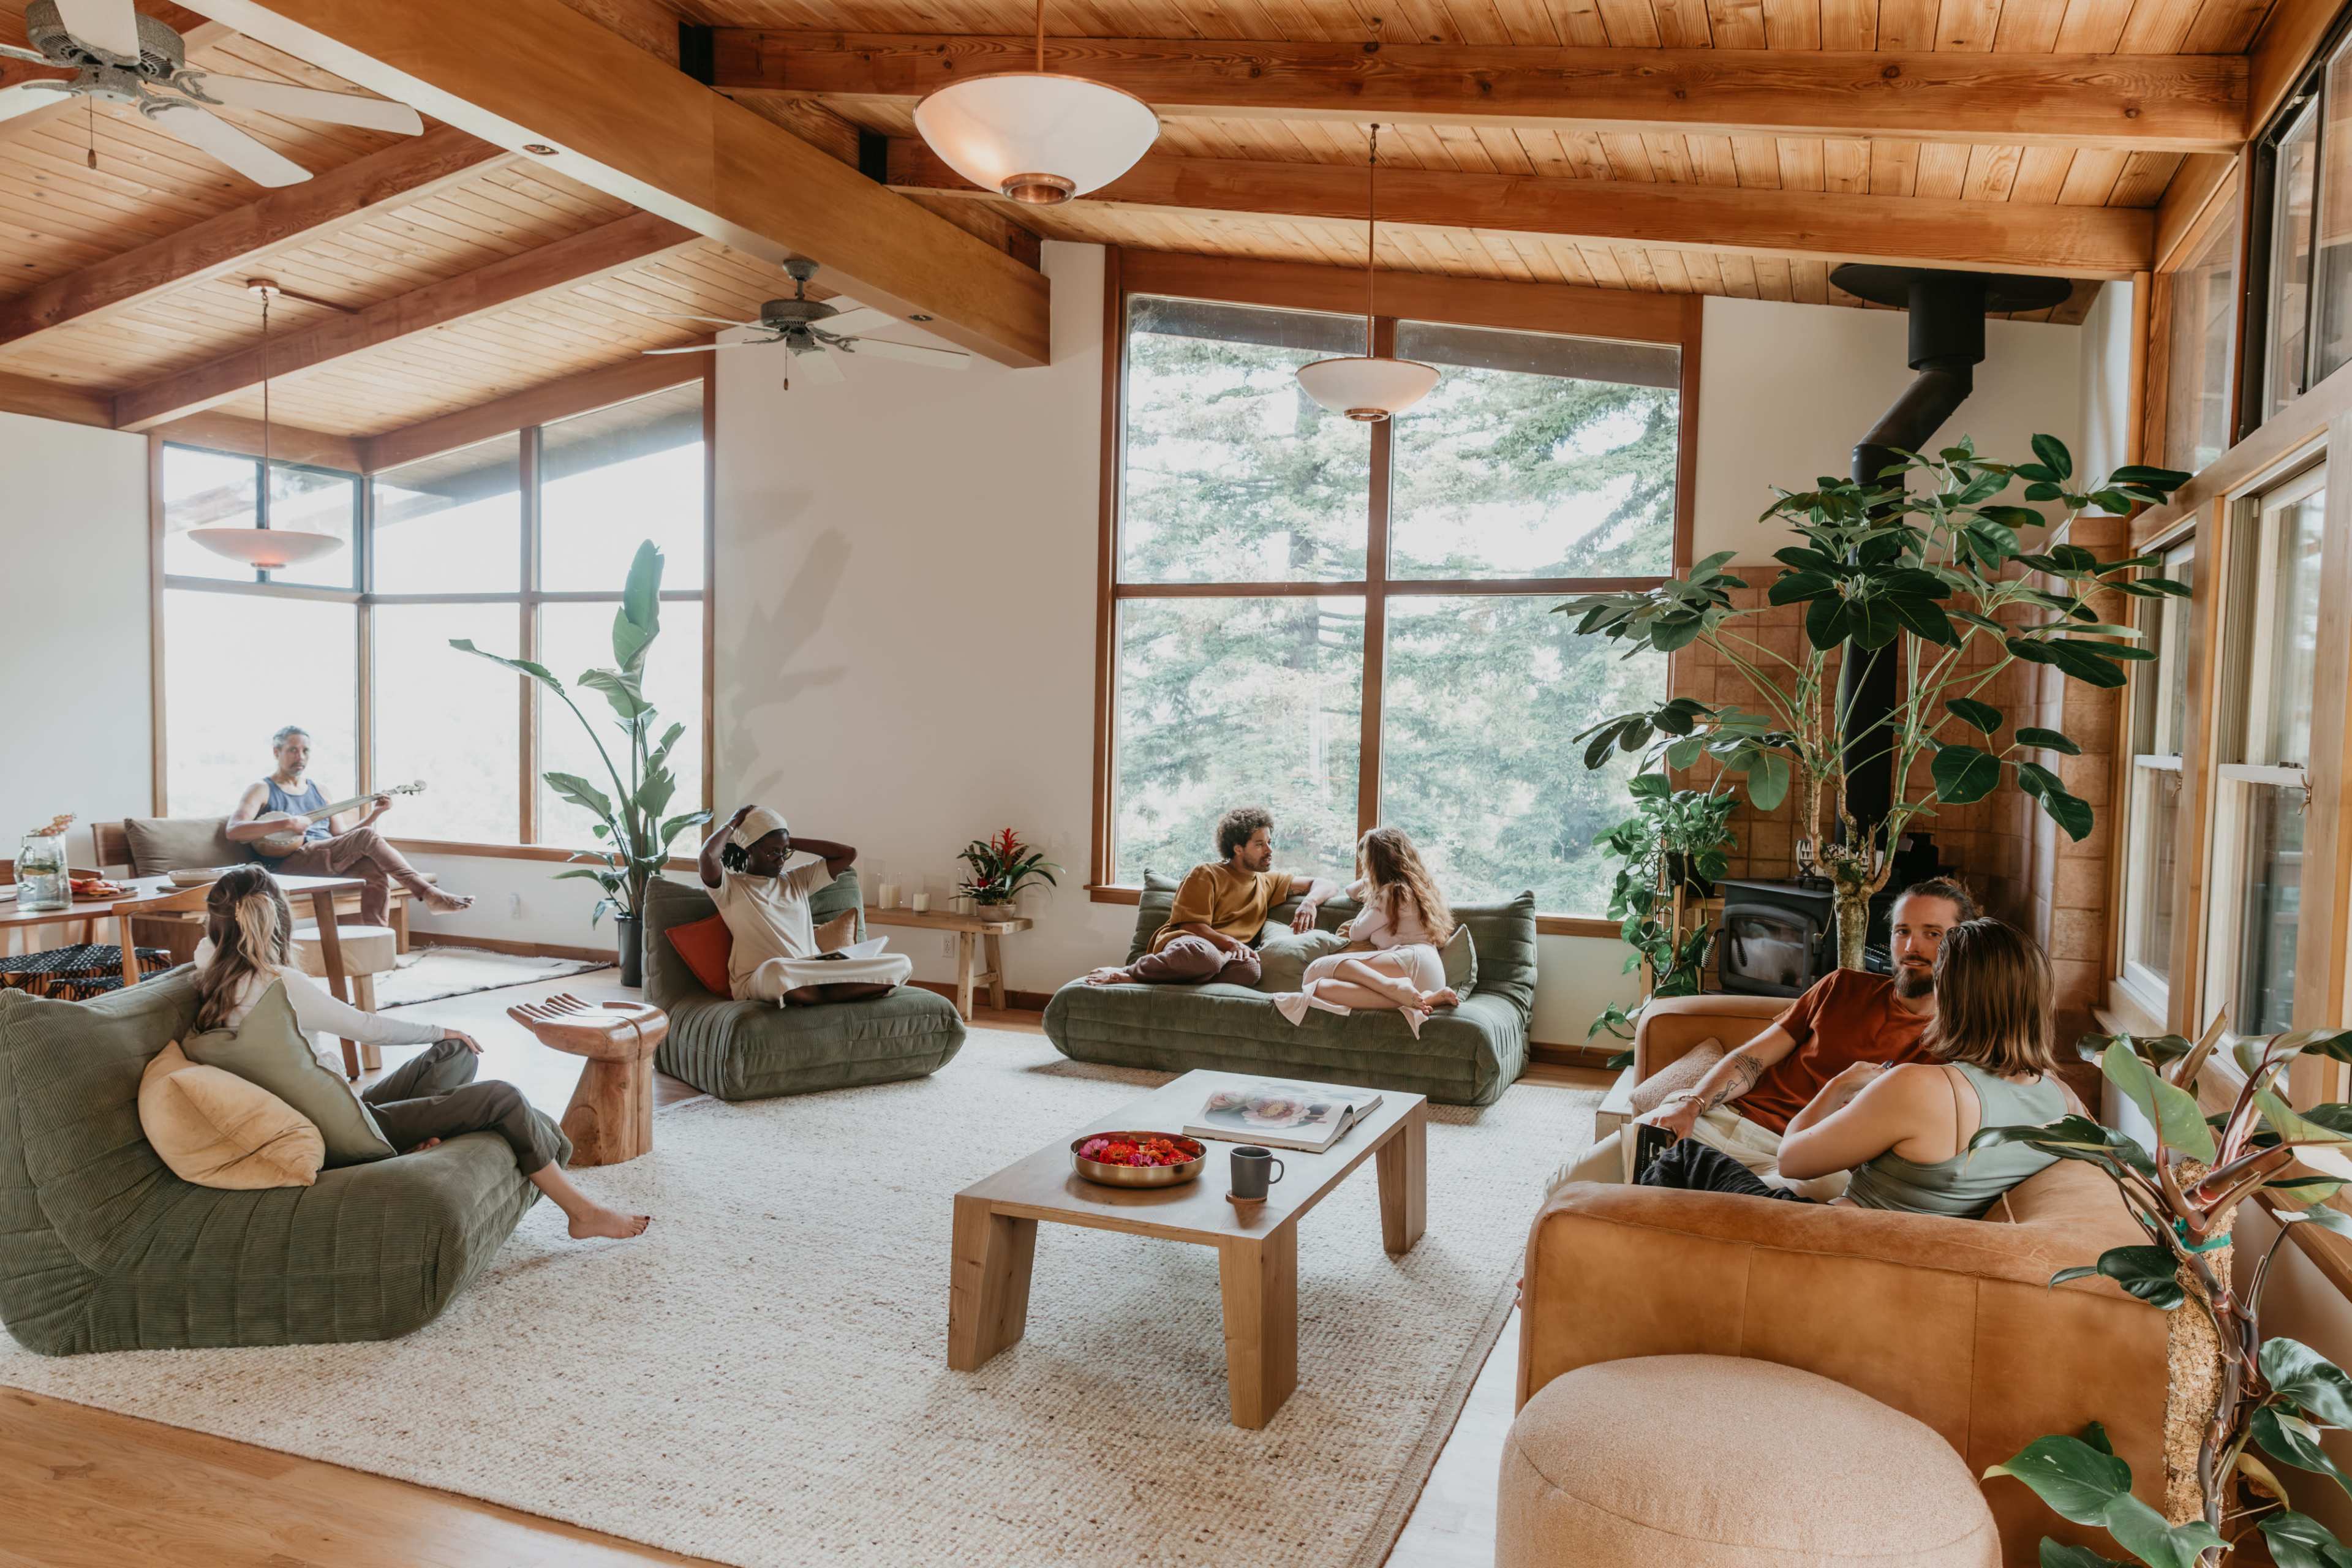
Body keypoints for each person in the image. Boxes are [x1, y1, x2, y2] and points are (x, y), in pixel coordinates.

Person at [190, 866, 649, 1240]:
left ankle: (416, 1137)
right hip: (343, 1130)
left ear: (216, 925)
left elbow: (207, 944)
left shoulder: (209, 969)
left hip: (338, 1107)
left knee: (454, 1053)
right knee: (501, 1097)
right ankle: (581, 1212)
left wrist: (443, 1038)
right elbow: (365, 1027)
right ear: (278, 921)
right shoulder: (281, 985)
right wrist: (437, 1027)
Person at [1548, 876, 1977, 1200]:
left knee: (1703, 1218)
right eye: (1902, 931)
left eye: (1932, 934)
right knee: (1566, 1187)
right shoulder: (1841, 986)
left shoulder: (1960, 1044)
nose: (1911, 947)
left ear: (1962, 944)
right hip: (1725, 1123)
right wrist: (1691, 1104)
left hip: (1812, 1162)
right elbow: (1752, 1058)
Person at [1637, 917, 2068, 1217]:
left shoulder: (1921, 1086)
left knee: (1683, 1159)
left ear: (1957, 1000)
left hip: (1829, 1240)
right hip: (1886, 1248)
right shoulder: (2059, 1101)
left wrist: (1839, 1086)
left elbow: (1791, 1159)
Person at [227, 725, 473, 927]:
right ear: (276, 752)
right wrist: (288, 823)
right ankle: (428, 893)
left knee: (373, 870)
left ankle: (375, 945)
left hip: (323, 856)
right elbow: (234, 830)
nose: (300, 757)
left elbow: (341, 835)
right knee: (366, 837)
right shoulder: (262, 789)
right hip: (289, 864)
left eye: (305, 751)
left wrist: (375, 814)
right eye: (292, 750)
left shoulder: (320, 790)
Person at [1084, 806, 1340, 987]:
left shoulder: (1269, 881)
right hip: (1191, 944)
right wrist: (1231, 944)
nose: (1269, 850)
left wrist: (1309, 903)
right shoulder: (1206, 873)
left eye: (1270, 842)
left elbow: (1326, 884)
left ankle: (1157, 980)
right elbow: (1191, 925)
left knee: (1250, 971)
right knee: (1205, 957)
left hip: (1224, 956)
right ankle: (1127, 972)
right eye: (1260, 844)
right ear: (1238, 849)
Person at [697, 805, 914, 1005]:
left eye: (785, 851)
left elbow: (848, 854)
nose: (781, 859)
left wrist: (786, 839)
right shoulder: (730, 887)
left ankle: (819, 995)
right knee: (777, 969)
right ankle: (834, 992)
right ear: (749, 849)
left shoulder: (797, 880)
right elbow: (708, 857)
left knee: (902, 963)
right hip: (766, 975)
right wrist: (735, 821)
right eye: (773, 852)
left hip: (814, 969)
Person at [1267, 826, 1460, 1037]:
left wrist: (1373, 895)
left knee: (1315, 970)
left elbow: (1356, 933)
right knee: (1318, 987)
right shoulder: (1418, 887)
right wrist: (1373, 883)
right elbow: (1351, 890)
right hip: (1431, 976)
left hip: (1412, 962)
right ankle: (1426, 998)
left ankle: (1391, 986)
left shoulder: (1391, 893)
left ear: (1374, 863)